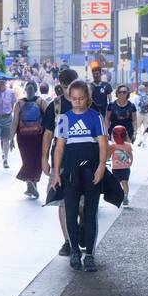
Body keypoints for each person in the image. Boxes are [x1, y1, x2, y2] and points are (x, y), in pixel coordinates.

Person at [50, 80, 109, 272]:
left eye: (81, 98)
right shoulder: (64, 119)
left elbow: (103, 144)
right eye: (73, 99)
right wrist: (56, 173)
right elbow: (59, 147)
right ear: (69, 97)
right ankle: (75, 250)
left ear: (88, 98)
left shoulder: (95, 117)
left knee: (90, 212)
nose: (77, 102)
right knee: (71, 211)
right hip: (71, 172)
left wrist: (101, 166)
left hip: (91, 170)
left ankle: (89, 253)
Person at [41, 68, 80, 257]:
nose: (69, 92)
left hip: (83, 161)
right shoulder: (55, 106)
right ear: (60, 85)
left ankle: (78, 236)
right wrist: (43, 159)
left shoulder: (87, 104)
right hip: (61, 161)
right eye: (66, 87)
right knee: (63, 203)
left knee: (82, 204)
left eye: (72, 87)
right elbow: (48, 134)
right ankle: (68, 241)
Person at [11, 80, 45, 198]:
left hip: (23, 136)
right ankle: (31, 183)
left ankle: (30, 185)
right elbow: (47, 120)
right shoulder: (41, 102)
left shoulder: (19, 103)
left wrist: (11, 138)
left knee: (27, 160)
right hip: (38, 136)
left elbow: (15, 122)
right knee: (36, 160)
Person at [110, 125, 134, 207]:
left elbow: (109, 155)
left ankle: (123, 196)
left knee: (117, 184)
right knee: (125, 183)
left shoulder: (112, 146)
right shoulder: (128, 145)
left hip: (116, 169)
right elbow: (131, 155)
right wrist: (131, 163)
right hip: (126, 168)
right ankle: (125, 196)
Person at [134, 82, 148, 146]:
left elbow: (135, 106)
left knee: (138, 127)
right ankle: (144, 141)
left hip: (139, 114)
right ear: (145, 89)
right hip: (147, 114)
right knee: (146, 128)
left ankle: (140, 138)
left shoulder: (136, 96)